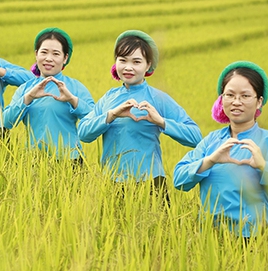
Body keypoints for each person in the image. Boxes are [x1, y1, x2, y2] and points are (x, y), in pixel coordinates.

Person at [173, 61, 268, 238]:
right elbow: (179, 179)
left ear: (259, 102)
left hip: (256, 241)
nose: (236, 102)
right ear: (221, 99)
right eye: (229, 95)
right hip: (210, 240)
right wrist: (210, 160)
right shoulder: (211, 141)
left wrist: (264, 166)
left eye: (245, 96)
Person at [78, 30, 202, 198]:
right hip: (112, 182)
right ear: (116, 63)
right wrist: (111, 115)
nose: (128, 67)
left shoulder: (158, 99)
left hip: (152, 183)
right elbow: (83, 133)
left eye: (136, 62)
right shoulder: (109, 98)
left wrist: (161, 122)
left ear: (148, 65)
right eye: (122, 60)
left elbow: (196, 137)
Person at [3, 27, 94, 164]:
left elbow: (94, 120)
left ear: (65, 58)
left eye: (56, 54)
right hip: (33, 162)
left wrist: (72, 100)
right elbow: (6, 122)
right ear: (36, 54)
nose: (48, 58)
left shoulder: (75, 87)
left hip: (70, 161)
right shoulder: (26, 89)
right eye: (44, 52)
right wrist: (28, 98)